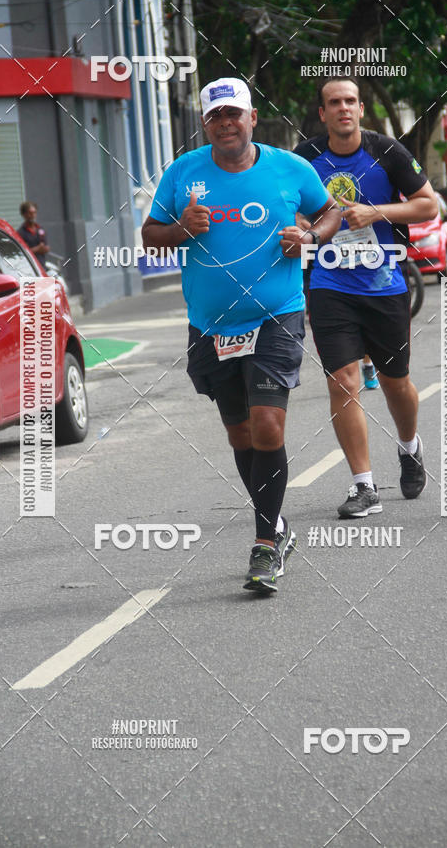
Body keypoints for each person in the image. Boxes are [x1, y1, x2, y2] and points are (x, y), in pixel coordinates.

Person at [141, 77, 341, 592]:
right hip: (212, 327)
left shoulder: (289, 168)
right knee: (241, 435)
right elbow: (150, 237)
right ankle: (277, 526)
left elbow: (331, 211)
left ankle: (265, 544)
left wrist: (310, 236)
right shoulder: (183, 173)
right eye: (216, 116)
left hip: (277, 315)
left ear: (252, 118)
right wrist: (180, 229)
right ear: (205, 124)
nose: (226, 123)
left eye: (234, 113)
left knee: (267, 426)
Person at [294, 77, 437, 518]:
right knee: (343, 381)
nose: (343, 108)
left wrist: (377, 212)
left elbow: (428, 205)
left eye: (350, 101)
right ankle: (363, 486)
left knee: (396, 383)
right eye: (334, 102)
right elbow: (291, 207)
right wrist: (305, 227)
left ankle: (409, 447)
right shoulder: (305, 158)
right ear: (323, 114)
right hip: (329, 286)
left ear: (360, 109)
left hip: (384, 286)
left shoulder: (387, 151)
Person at [18, 201, 50, 270]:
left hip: (42, 267)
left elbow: (47, 247)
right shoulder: (21, 233)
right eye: (30, 213)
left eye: (34, 212)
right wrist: (38, 248)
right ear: (24, 214)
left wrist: (43, 248)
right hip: (29, 269)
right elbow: (23, 253)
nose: (33, 215)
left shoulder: (40, 229)